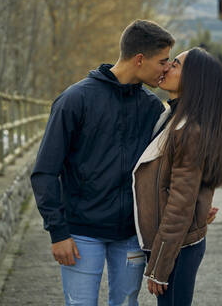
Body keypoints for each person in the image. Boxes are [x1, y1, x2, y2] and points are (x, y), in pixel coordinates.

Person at [31, 19, 174, 305]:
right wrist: (58, 232)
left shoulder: (152, 108)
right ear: (140, 59)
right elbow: (45, 172)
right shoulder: (75, 100)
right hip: (82, 233)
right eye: (163, 61)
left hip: (131, 235)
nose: (166, 69)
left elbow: (166, 172)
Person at [132, 47, 222, 306]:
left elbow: (179, 206)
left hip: (177, 249)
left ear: (193, 80)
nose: (166, 68)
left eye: (174, 65)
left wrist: (160, 266)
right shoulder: (172, 118)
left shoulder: (189, 130)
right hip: (176, 244)